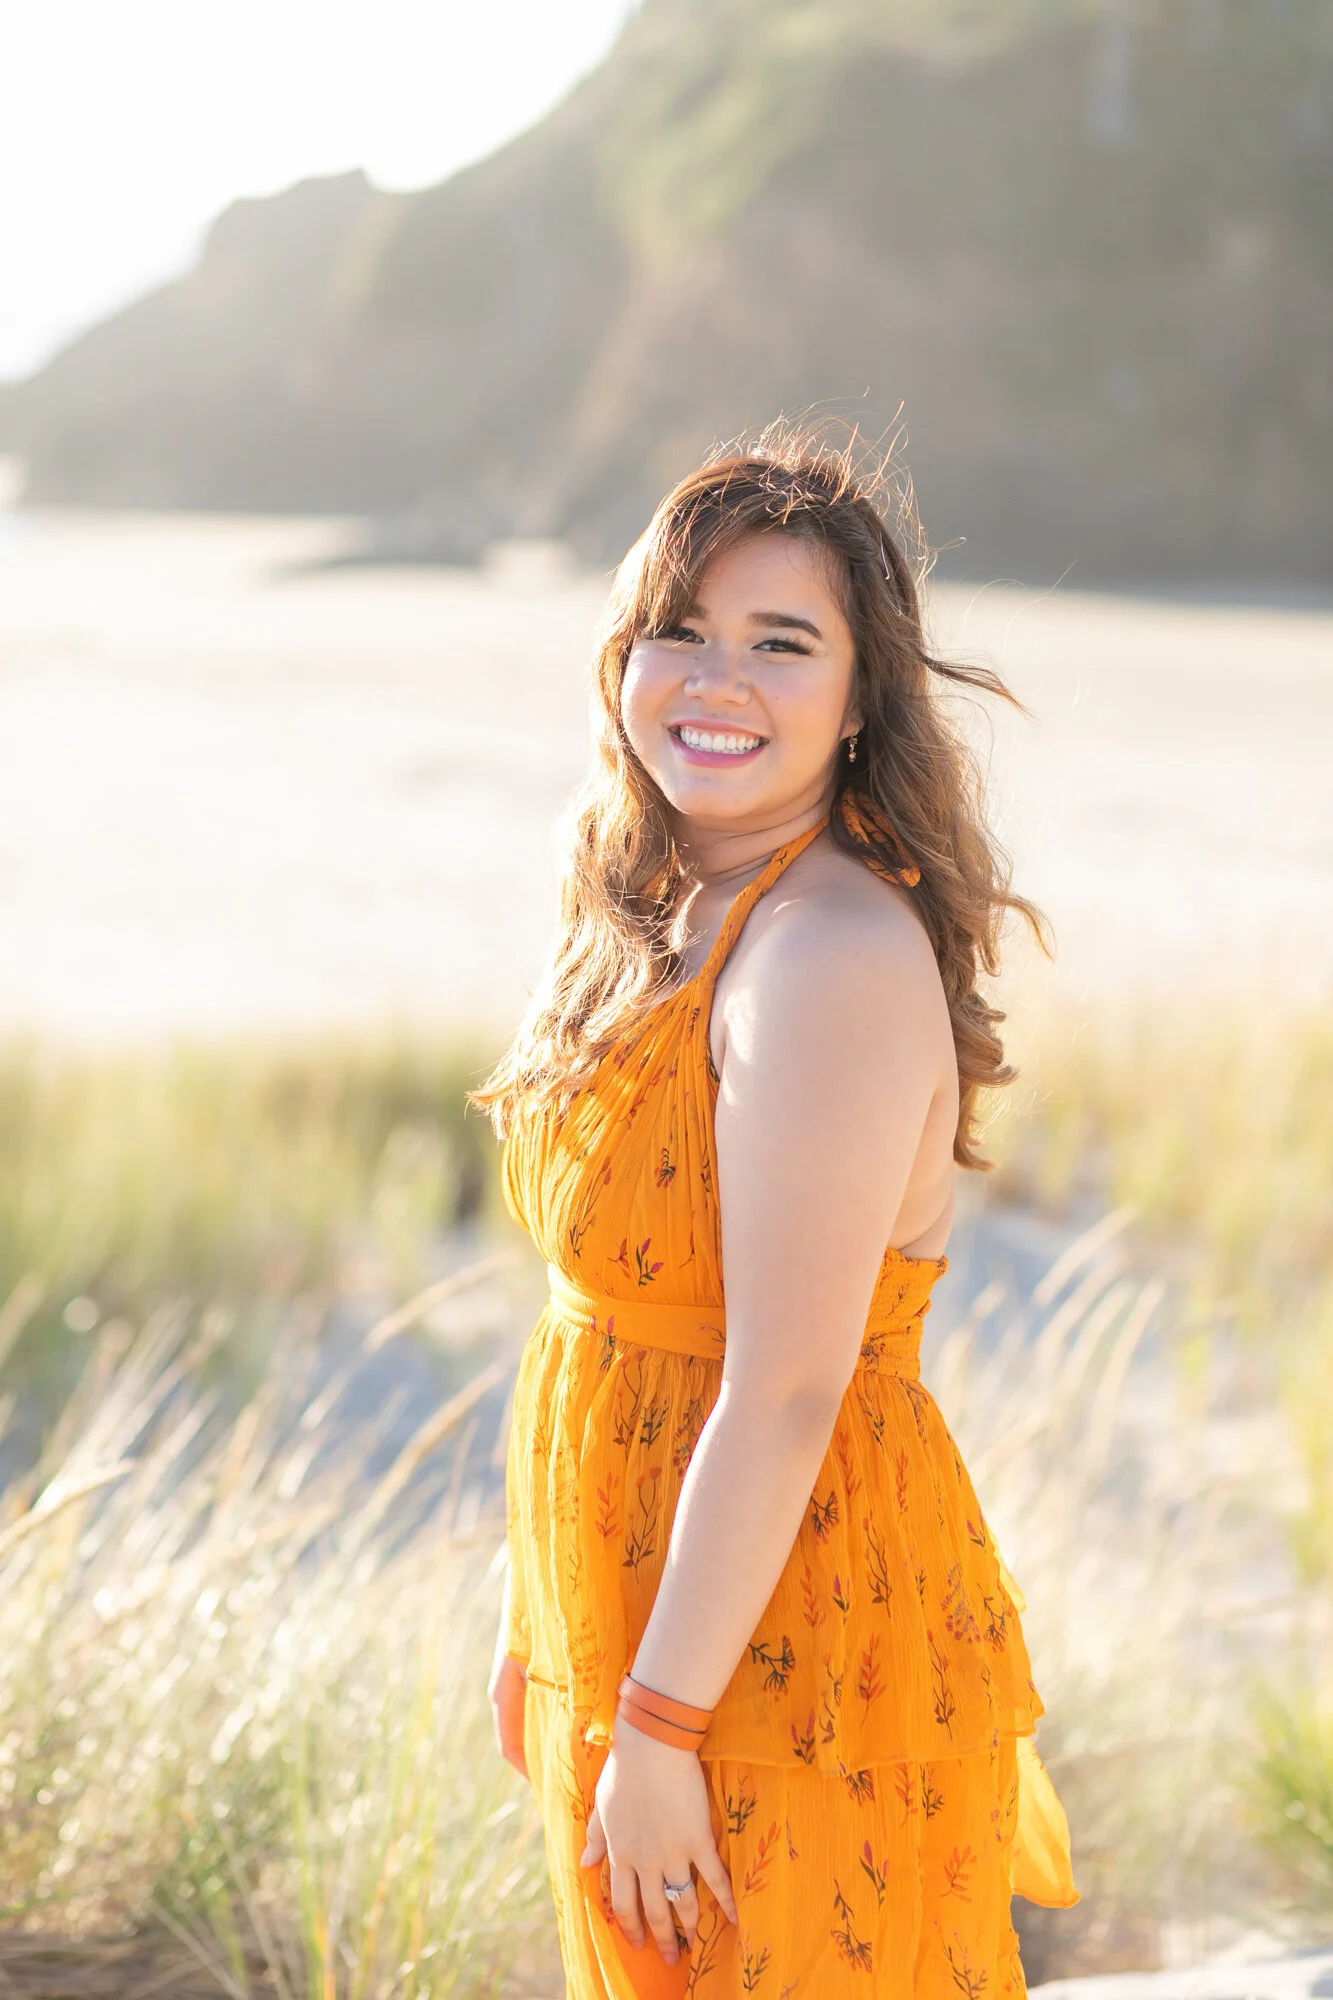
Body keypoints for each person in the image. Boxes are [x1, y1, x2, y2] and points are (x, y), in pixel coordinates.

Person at [478, 432, 1077, 1999]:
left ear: (862, 697)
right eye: (681, 630)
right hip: (650, 1602)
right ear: (626, 655)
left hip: (791, 1629)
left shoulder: (824, 955)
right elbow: (600, 1322)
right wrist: (536, 1602)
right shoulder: (652, 910)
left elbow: (787, 1383)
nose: (715, 679)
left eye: (781, 643)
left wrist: (662, 1722)